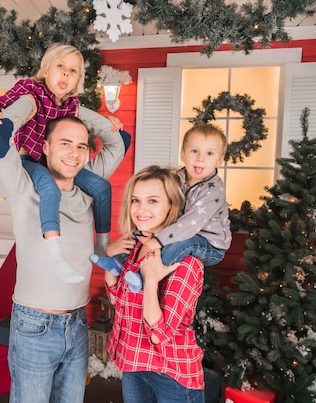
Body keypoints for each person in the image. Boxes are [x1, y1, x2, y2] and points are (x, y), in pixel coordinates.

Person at [0, 103, 129, 403]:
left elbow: (120, 140)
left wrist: (76, 108)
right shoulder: (24, 188)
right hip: (34, 326)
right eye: (65, 144)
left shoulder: (87, 186)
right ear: (46, 147)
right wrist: (33, 105)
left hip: (76, 324)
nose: (74, 154)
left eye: (81, 146)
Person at [0, 43, 117, 282]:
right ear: (46, 71)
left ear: (77, 80)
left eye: (73, 71)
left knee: (102, 187)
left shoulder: (72, 105)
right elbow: (1, 104)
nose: (66, 73)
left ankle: (102, 246)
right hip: (30, 160)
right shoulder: (30, 90)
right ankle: (55, 251)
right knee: (49, 189)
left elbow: (84, 123)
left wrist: (108, 122)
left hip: (55, 163)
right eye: (60, 66)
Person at [104, 165, 205, 403]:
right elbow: (118, 301)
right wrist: (110, 259)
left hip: (171, 374)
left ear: (171, 205)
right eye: (136, 200)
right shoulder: (138, 246)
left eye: (152, 201)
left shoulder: (185, 260)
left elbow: (159, 334)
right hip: (134, 365)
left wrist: (151, 283)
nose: (140, 210)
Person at [91, 123, 231, 291]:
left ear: (220, 159)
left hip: (209, 243)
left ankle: (143, 276)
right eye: (194, 151)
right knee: (140, 231)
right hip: (180, 232)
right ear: (183, 154)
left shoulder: (214, 191)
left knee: (183, 244)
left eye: (209, 153)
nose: (200, 158)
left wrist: (156, 241)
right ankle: (118, 262)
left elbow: (189, 224)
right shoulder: (177, 178)